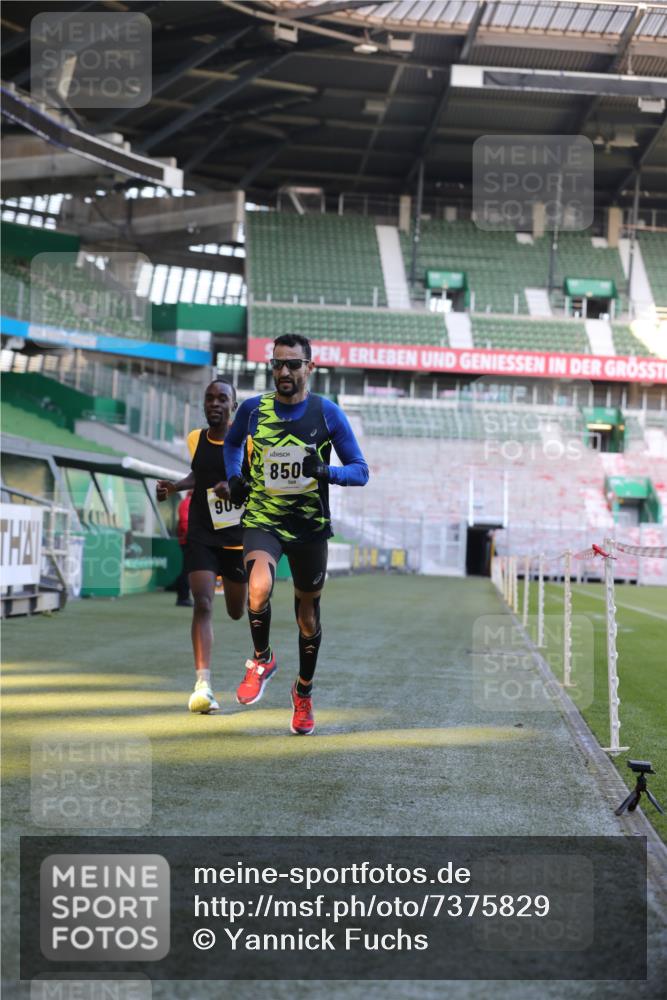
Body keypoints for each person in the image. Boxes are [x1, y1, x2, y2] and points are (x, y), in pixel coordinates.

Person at [223, 333, 369, 736]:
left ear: (310, 367)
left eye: (292, 364)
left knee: (307, 617)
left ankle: (303, 692)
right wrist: (234, 476)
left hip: (309, 528)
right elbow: (232, 444)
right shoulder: (253, 410)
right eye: (277, 364)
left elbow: (360, 470)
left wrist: (325, 471)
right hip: (262, 520)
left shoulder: (326, 413)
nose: (283, 371)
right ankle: (261, 658)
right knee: (258, 586)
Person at [156, 379, 247, 714]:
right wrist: (175, 486)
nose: (215, 403)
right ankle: (202, 684)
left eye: (222, 398)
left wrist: (235, 490)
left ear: (233, 406)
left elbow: (255, 485)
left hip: (236, 536)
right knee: (203, 602)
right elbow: (200, 474)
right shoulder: (196, 439)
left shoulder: (248, 442)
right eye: (210, 398)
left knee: (236, 611)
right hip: (202, 531)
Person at [174, 491, 193, 607]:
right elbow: (185, 521)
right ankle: (183, 597)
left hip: (188, 539)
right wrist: (191, 535)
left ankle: (184, 596)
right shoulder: (187, 502)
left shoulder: (187, 501)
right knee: (187, 569)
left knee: (188, 569)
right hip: (188, 540)